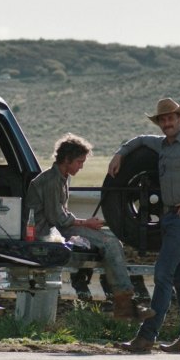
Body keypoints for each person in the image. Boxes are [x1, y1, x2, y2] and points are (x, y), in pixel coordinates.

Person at [108, 98, 180, 354]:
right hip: (170, 218)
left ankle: (146, 336)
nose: (167, 123)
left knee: (162, 274)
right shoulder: (161, 145)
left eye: (171, 118)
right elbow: (138, 140)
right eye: (163, 119)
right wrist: (120, 153)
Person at [27, 133, 155, 322]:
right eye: (79, 161)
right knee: (110, 243)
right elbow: (58, 219)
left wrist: (85, 224)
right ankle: (124, 304)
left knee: (109, 241)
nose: (81, 166)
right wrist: (86, 223)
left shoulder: (60, 178)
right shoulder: (51, 180)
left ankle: (122, 300)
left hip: (55, 229)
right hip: (46, 233)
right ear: (67, 159)